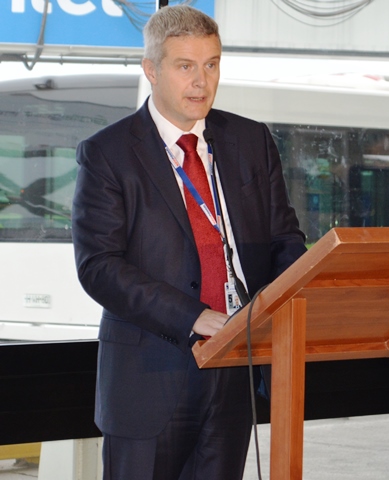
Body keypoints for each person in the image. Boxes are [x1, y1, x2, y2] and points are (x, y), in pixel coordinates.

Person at [71, 4, 306, 480]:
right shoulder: (107, 153)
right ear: (151, 70)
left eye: (211, 64)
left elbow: (284, 239)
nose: (201, 81)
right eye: (185, 66)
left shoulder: (251, 141)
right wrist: (193, 316)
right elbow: (99, 266)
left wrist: (287, 308)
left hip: (235, 370)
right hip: (147, 379)